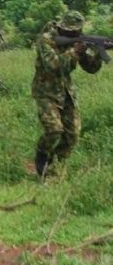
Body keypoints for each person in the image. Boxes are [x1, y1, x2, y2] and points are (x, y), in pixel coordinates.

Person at [32, 11, 103, 178]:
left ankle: (54, 165)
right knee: (54, 130)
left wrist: (98, 51)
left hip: (67, 93)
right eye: (70, 32)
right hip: (46, 92)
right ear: (61, 28)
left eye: (76, 32)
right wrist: (74, 51)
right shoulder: (46, 39)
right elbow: (53, 66)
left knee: (73, 134)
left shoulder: (78, 40)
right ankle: (42, 155)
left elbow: (91, 68)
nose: (73, 34)